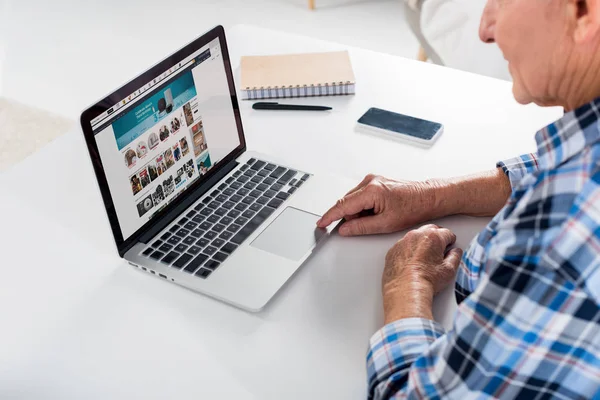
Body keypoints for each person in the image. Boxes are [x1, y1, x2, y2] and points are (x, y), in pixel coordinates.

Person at [317, 0, 600, 397]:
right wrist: (428, 196)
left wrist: (407, 285)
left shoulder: (557, 247)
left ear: (585, 13)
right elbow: (557, 164)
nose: (485, 29)